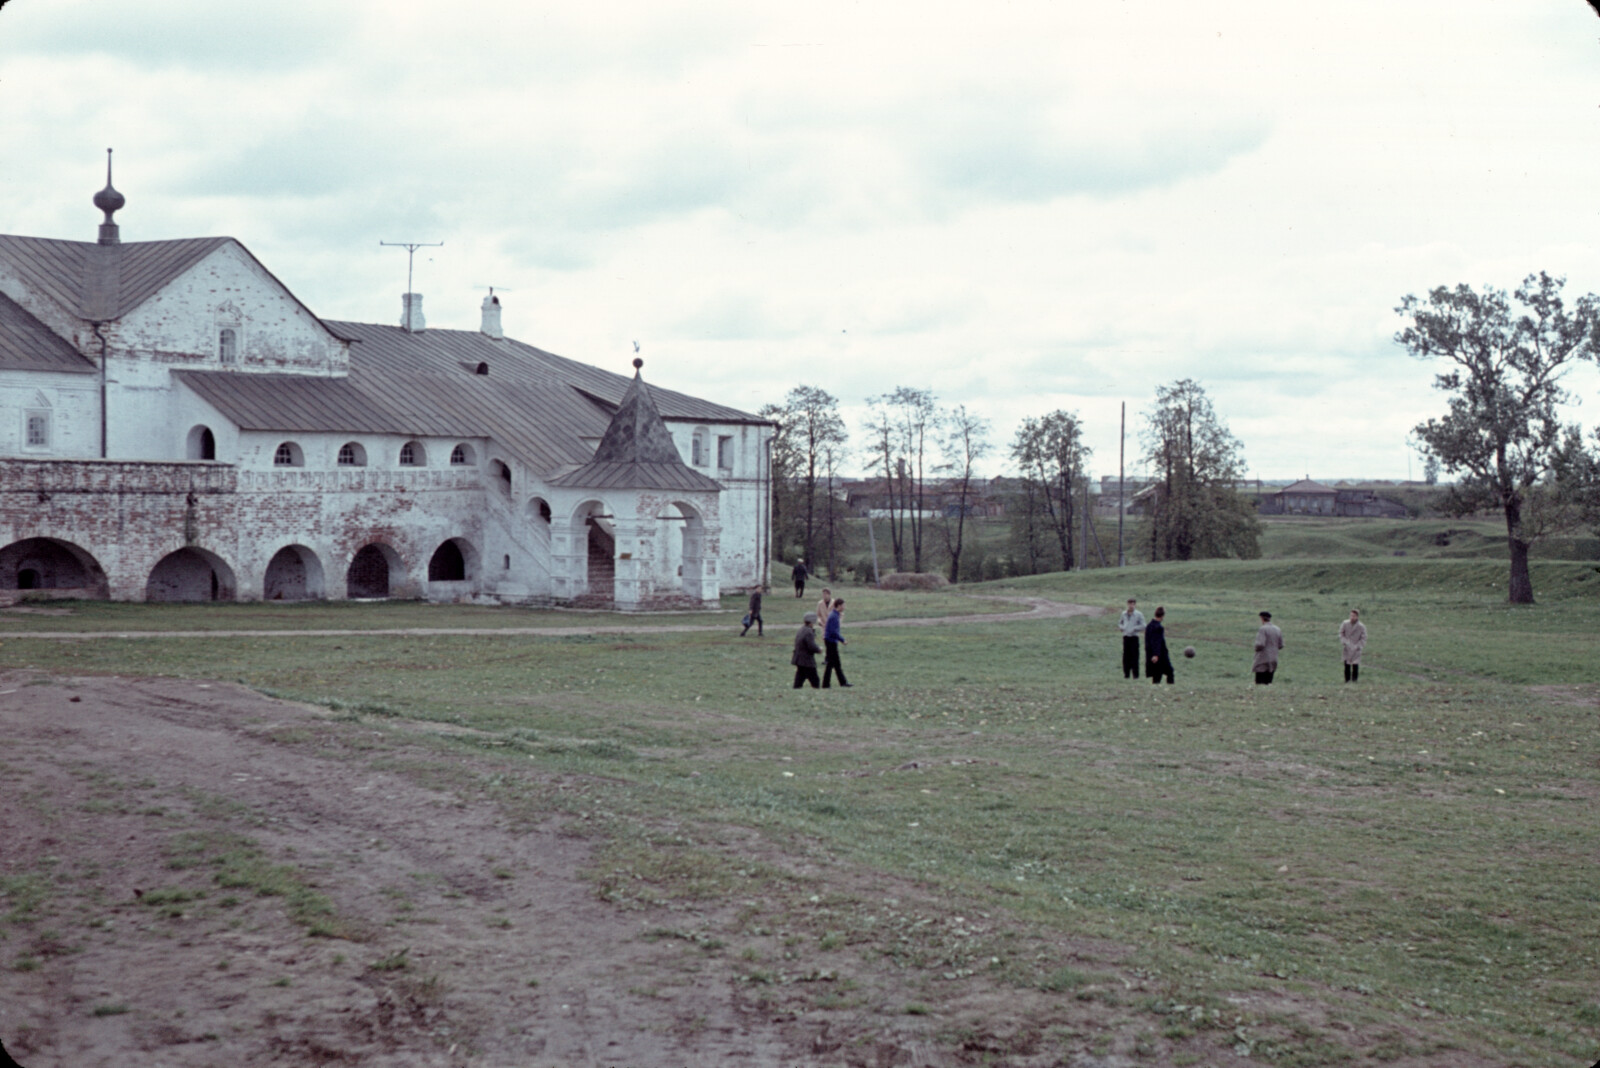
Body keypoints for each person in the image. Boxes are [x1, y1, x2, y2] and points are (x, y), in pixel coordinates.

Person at [823, 598, 852, 688]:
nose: (844, 607)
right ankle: (826, 684)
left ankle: (842, 682)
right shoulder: (834, 616)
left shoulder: (835, 615)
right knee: (831, 664)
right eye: (843, 605)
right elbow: (833, 632)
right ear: (838, 606)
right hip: (830, 641)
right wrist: (842, 640)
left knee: (836, 663)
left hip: (831, 641)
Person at [1117, 598, 1146, 679]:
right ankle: (1126, 674)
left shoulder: (1138, 614)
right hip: (1126, 637)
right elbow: (1120, 622)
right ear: (1127, 604)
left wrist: (1135, 628)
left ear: (1135, 605)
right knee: (1126, 656)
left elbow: (1143, 625)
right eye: (1130, 604)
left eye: (1133, 604)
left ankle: (1135, 675)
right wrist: (1122, 627)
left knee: (1134, 656)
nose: (1131, 606)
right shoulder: (1124, 614)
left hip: (1134, 637)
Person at [791, 611, 822, 688]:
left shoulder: (801, 629)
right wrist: (818, 649)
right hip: (806, 660)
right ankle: (817, 690)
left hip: (798, 658)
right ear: (812, 621)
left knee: (800, 676)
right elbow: (811, 646)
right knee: (815, 679)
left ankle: (796, 689)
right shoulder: (808, 632)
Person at [1253, 611, 1284, 685]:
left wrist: (1256, 649)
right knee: (1269, 681)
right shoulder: (1277, 629)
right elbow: (1281, 645)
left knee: (1260, 682)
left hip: (1262, 658)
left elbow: (1260, 644)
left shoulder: (1263, 629)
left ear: (1261, 618)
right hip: (1274, 658)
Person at [1145, 606, 1174, 684]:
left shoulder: (1149, 626)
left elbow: (1148, 641)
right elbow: (1156, 642)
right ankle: (1171, 688)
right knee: (1170, 671)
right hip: (1160, 655)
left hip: (1150, 654)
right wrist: (1156, 655)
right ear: (1162, 616)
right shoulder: (1159, 627)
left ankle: (1156, 689)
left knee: (1156, 675)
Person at [1339, 609, 1366, 682]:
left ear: (1357, 617)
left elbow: (1363, 638)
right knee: (1347, 665)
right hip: (1347, 647)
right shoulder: (1345, 623)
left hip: (1356, 648)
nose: (1352, 617)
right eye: (1351, 615)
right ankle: (1347, 680)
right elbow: (1341, 633)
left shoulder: (1361, 626)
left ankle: (1354, 681)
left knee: (1355, 665)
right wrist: (1344, 642)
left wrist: (1359, 646)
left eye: (1354, 616)